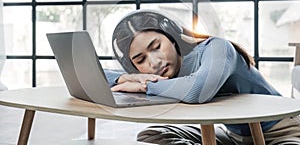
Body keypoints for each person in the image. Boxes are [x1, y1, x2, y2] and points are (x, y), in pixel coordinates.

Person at [105, 9, 300, 145]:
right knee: (151, 135)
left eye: (156, 47)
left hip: (282, 130)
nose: (154, 63)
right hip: (234, 136)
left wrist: (145, 86)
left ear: (172, 37)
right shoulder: (157, 73)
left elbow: (198, 90)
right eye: (140, 59)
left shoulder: (217, 48)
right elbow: (98, 75)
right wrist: (124, 79)